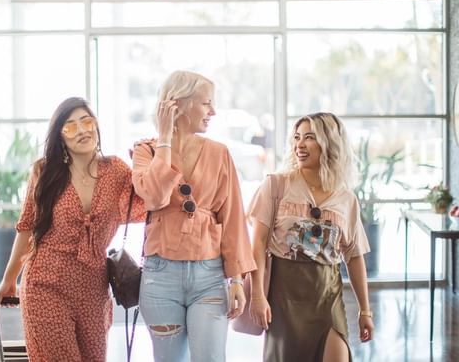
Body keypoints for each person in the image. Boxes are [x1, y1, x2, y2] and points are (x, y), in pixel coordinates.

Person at [0, 97, 145, 362]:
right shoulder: (44, 172)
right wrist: (9, 279)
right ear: (60, 136)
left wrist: (150, 161)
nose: (83, 130)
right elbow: (27, 226)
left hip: (94, 290)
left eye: (87, 121)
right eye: (71, 126)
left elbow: (149, 202)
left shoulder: (117, 170)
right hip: (45, 284)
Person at [131, 70, 256, 362]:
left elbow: (234, 218)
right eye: (206, 103)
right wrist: (164, 138)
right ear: (177, 105)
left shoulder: (220, 153)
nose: (213, 111)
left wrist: (236, 279)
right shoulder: (145, 150)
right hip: (160, 279)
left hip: (209, 277)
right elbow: (154, 196)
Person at [247, 112, 374, 361]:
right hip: (283, 299)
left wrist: (365, 311)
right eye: (296, 138)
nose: (299, 145)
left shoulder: (346, 199)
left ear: (329, 143)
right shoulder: (275, 186)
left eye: (309, 137)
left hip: (327, 296)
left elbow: (354, 256)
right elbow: (258, 244)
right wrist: (257, 296)